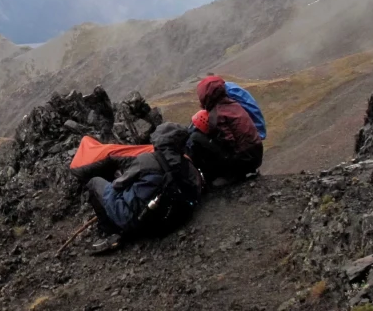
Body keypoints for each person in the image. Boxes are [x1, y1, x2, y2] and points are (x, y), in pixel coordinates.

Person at [84, 122, 202, 253]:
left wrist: (120, 177)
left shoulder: (145, 160)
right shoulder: (189, 166)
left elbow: (118, 186)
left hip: (140, 222)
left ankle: (112, 232)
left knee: (94, 183)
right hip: (171, 220)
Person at [188, 75, 263, 187]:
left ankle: (228, 176)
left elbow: (228, 143)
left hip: (245, 160)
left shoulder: (217, 114)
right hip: (256, 153)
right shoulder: (233, 103)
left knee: (196, 138)